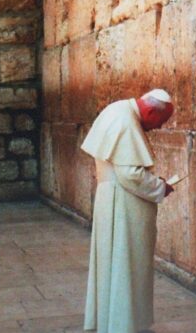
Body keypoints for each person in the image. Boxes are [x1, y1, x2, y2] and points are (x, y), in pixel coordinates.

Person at [81, 88, 175, 333]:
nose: (158, 127)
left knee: (114, 265)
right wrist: (160, 187)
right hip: (122, 205)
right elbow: (130, 174)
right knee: (125, 265)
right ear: (152, 111)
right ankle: (123, 325)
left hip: (111, 198)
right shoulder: (125, 120)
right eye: (161, 121)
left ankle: (112, 322)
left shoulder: (118, 110)